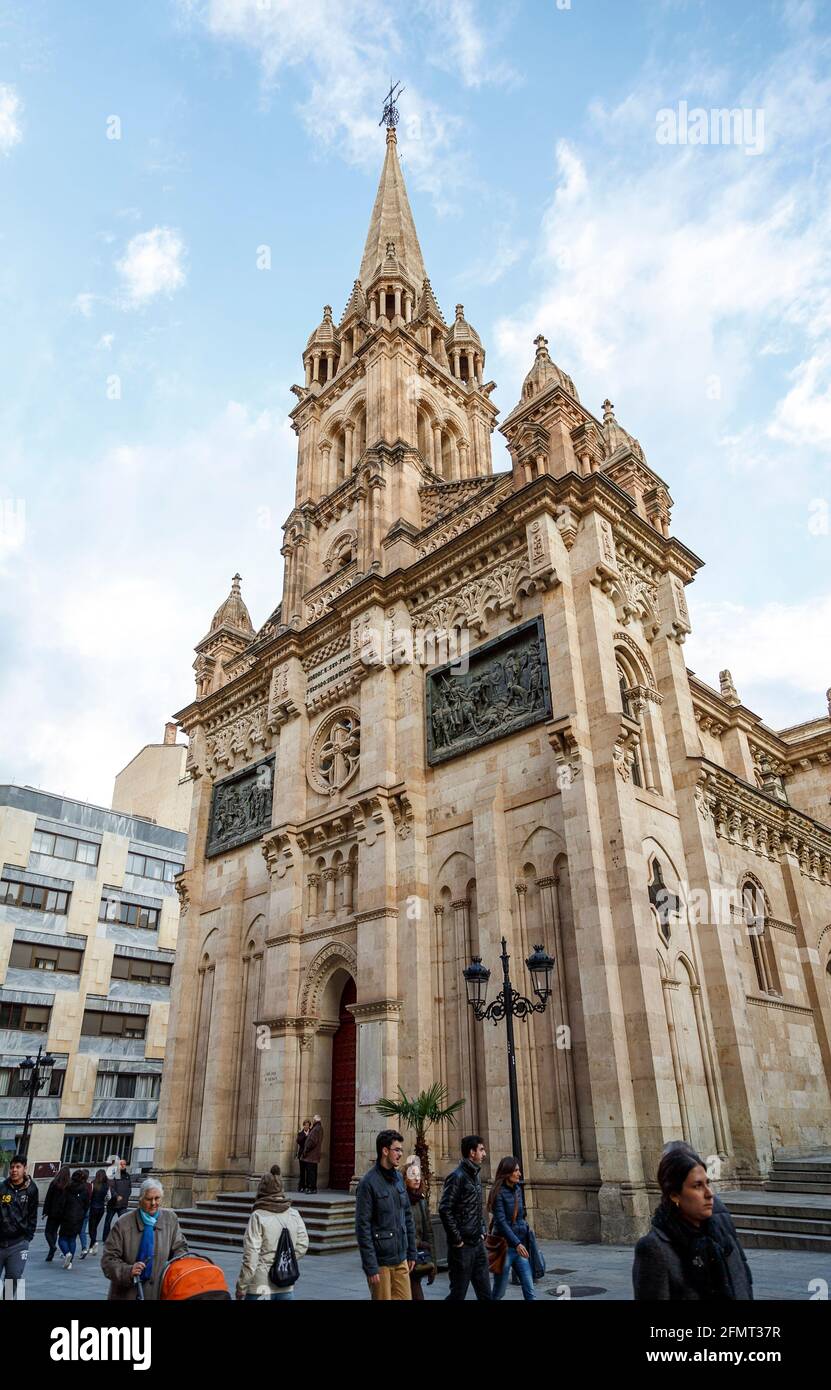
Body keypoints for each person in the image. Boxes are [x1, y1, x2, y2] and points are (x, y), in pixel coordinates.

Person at [633, 1147, 753, 1300]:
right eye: (697, 1186)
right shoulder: (655, 1248)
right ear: (675, 1195)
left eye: (707, 1183)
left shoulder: (721, 1233)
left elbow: (742, 1286)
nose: (709, 1194)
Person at [101, 1177, 188, 1300]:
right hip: (127, 1294)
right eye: (149, 1199)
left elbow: (180, 1249)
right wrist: (128, 1271)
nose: (153, 1203)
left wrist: (174, 1268)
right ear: (140, 1200)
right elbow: (108, 1260)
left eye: (157, 1198)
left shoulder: (170, 1219)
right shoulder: (123, 1224)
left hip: (158, 1292)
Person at [355, 1129, 416, 1301]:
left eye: (401, 1150)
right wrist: (370, 1266)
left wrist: (411, 1251)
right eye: (397, 1150)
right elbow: (362, 1227)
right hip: (381, 1262)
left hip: (401, 1259)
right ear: (385, 1150)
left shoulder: (398, 1178)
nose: (400, 1154)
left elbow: (408, 1217)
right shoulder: (368, 1183)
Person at [236, 1167, 309, 1300]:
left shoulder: (258, 1216)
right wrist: (283, 1261)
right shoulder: (294, 1214)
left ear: (262, 1190)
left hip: (260, 1285)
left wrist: (241, 1286)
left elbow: (251, 1254)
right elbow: (302, 1245)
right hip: (285, 1282)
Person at [439, 1134, 492, 1301]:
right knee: (458, 1294)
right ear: (472, 1152)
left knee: (485, 1294)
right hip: (462, 1249)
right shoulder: (457, 1176)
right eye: (481, 1150)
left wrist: (483, 1230)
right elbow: (445, 1209)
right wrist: (457, 1240)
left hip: (477, 1244)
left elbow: (477, 1206)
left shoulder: (475, 1175)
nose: (484, 1154)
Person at [487, 1156, 536, 1301]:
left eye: (519, 1170)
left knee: (529, 1289)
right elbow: (501, 1223)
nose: (519, 1173)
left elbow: (520, 1217)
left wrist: (525, 1232)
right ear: (507, 1172)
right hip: (505, 1248)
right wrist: (517, 1243)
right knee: (498, 1292)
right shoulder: (498, 1193)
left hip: (520, 1246)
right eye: (516, 1170)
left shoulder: (518, 1190)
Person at [0, 1153, 38, 1299]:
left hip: (18, 1243)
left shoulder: (32, 1190)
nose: (14, 1170)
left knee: (14, 1277)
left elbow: (33, 1214)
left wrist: (28, 1237)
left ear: (24, 1169)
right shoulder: (2, 1187)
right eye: (12, 1167)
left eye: (18, 1167)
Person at [404, 1156, 435, 1301]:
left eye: (418, 1175)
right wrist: (418, 1243)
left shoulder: (421, 1201)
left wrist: (432, 1263)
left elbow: (428, 1232)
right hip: (404, 1258)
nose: (417, 1179)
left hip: (418, 1258)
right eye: (412, 1174)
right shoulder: (401, 1200)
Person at [58, 1169, 90, 1270]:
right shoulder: (85, 1189)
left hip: (67, 1215)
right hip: (79, 1217)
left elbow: (62, 1202)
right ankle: (70, 1262)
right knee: (72, 1239)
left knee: (62, 1238)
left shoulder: (68, 1188)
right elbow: (86, 1204)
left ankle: (67, 1253)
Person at [42, 1164, 70, 1261]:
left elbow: (48, 1198)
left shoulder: (54, 1183)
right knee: (54, 1231)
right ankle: (51, 1251)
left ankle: (52, 1247)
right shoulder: (69, 1185)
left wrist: (45, 1211)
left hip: (53, 1211)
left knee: (48, 1232)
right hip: (63, 1212)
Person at [103, 1158, 131, 1241]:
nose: (123, 1165)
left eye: (124, 1164)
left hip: (123, 1204)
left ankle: (122, 1238)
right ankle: (105, 1238)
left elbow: (129, 1188)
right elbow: (111, 1188)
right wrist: (116, 1196)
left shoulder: (127, 1175)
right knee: (108, 1221)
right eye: (121, 1164)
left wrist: (126, 1196)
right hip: (113, 1203)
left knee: (123, 1222)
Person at [83, 1169, 109, 1257]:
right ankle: (91, 1245)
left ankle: (94, 1241)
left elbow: (89, 1195)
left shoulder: (93, 1184)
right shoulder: (106, 1185)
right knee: (95, 1227)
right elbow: (108, 1197)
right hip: (101, 1208)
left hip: (93, 1207)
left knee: (91, 1227)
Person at [302, 1115, 323, 1194]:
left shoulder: (316, 1129)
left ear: (315, 1121)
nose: (313, 1121)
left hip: (311, 1155)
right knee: (313, 1171)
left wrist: (306, 1149)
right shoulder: (319, 1128)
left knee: (310, 1172)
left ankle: (311, 1187)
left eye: (313, 1120)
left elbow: (312, 1141)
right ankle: (313, 1187)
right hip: (315, 1155)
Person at [296, 1120, 312, 1192]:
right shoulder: (300, 1133)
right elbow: (299, 1141)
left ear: (309, 1126)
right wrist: (305, 1137)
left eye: (307, 1125)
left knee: (308, 1171)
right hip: (302, 1154)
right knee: (302, 1171)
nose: (306, 1126)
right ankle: (302, 1186)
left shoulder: (311, 1132)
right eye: (305, 1125)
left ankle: (308, 1185)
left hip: (309, 1155)